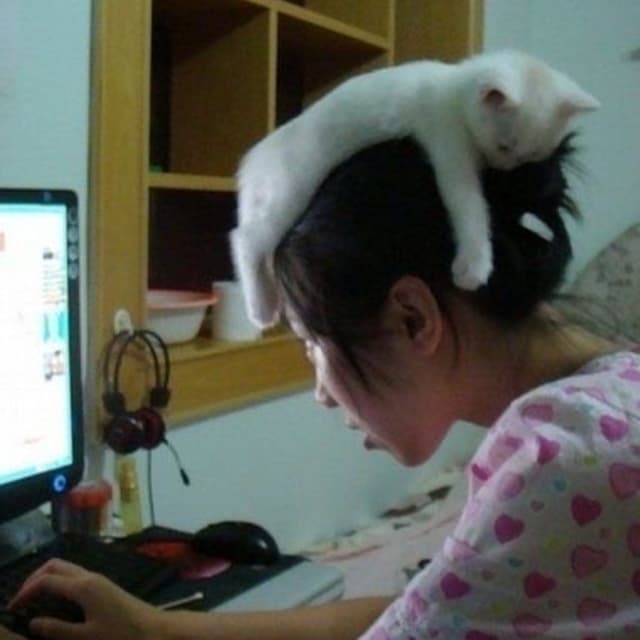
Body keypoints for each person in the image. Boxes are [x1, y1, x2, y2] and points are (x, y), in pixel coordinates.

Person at [3, 135, 640, 639]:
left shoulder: (555, 459)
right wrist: (157, 630)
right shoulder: (609, 395)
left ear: (412, 318)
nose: (322, 394)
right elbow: (424, 613)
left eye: (311, 344)